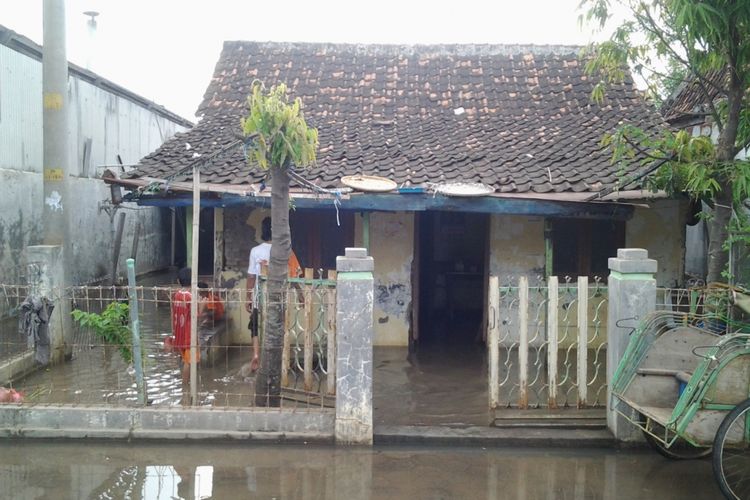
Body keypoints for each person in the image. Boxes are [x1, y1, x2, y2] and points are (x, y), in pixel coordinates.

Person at [245, 217, 302, 373]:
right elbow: (295, 276)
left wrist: (248, 298)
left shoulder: (255, 251)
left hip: (259, 297)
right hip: (279, 297)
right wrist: (300, 294)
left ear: (263, 231)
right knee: (279, 327)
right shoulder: (286, 251)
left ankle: (256, 354)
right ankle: (281, 357)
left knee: (256, 326)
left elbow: (251, 277)